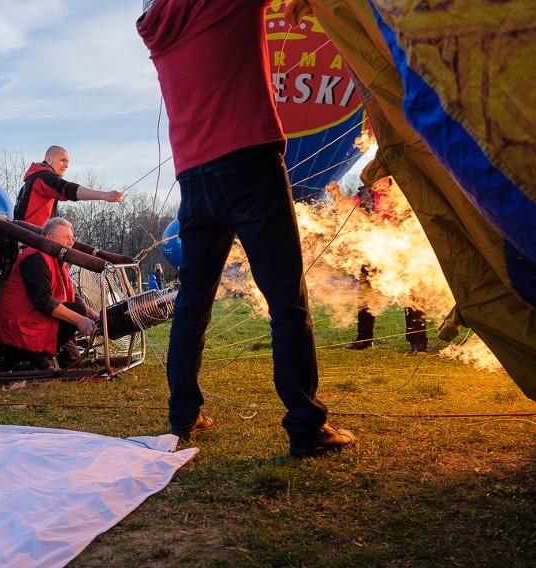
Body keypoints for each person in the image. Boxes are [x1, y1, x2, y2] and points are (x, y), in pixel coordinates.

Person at [137, 0, 354, 457]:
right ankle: (306, 426)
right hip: (250, 160)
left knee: (193, 301)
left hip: (194, 177)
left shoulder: (155, 27)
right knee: (286, 301)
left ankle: (184, 416)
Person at [327, 179, 428, 354]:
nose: (376, 181)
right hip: (374, 250)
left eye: (380, 177)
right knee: (366, 297)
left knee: (412, 296)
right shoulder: (366, 194)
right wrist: (336, 193)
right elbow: (348, 210)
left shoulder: (405, 189)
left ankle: (418, 342)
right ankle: (364, 340)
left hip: (403, 250)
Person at [0, 217, 101, 371]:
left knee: (73, 360)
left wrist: (95, 316)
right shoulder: (35, 257)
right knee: (78, 311)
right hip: (19, 333)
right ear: (49, 239)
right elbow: (43, 301)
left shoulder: (59, 261)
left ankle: (46, 354)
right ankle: (39, 356)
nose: (71, 243)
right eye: (66, 238)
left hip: (37, 324)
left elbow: (72, 296)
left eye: (72, 238)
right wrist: (79, 320)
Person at [13, 145, 124, 227]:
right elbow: (67, 189)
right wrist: (105, 196)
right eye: (63, 160)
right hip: (31, 241)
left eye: (67, 162)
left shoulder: (33, 179)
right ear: (48, 159)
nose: (66, 166)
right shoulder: (44, 177)